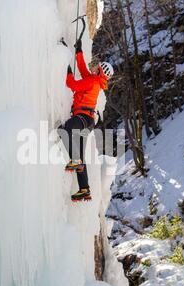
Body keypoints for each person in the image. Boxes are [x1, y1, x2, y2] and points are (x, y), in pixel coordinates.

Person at [60, 39, 114, 202]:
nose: (95, 67)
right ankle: (84, 189)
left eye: (98, 67)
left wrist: (68, 69)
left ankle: (75, 160)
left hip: (82, 117)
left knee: (64, 129)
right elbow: (83, 69)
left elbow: (72, 84)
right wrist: (78, 51)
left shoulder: (92, 81)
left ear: (100, 71)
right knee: (79, 154)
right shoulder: (95, 81)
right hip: (87, 121)